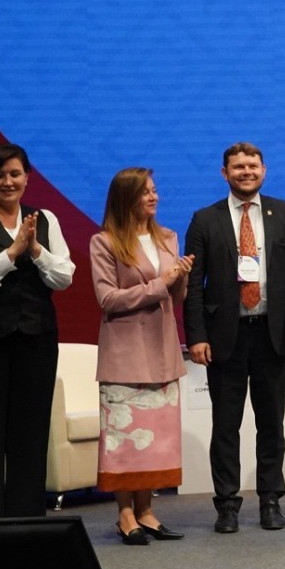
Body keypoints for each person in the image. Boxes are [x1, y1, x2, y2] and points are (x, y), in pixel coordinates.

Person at [184, 143, 285, 534]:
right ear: (225, 173)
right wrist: (196, 336)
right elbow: (193, 284)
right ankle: (227, 504)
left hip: (273, 334)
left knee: (271, 422)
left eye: (252, 165)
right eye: (238, 167)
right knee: (226, 425)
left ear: (263, 170)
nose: (246, 172)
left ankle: (270, 499)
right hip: (226, 336)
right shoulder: (204, 219)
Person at [0, 144, 76, 518]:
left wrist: (34, 249)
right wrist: (10, 254)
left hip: (36, 341)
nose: (8, 182)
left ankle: (26, 521)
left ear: (27, 177)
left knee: (30, 436)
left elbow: (64, 277)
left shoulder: (46, 220)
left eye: (15, 174)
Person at [90, 167, 195, 545]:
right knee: (125, 440)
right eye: (145, 192)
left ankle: (147, 511)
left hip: (162, 350)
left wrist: (181, 278)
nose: (154, 197)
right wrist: (160, 284)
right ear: (125, 198)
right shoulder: (104, 242)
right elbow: (108, 299)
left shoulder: (167, 238)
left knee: (155, 440)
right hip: (125, 353)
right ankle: (125, 515)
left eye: (154, 190)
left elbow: (175, 297)